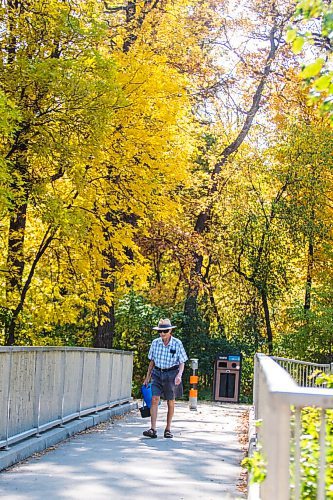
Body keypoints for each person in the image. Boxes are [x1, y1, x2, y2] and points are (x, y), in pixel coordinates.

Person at [142, 318, 188, 439]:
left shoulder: (177, 343)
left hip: (172, 374)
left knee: (170, 401)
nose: (162, 334)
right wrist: (147, 377)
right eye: (160, 331)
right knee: (154, 399)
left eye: (165, 331)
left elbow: (182, 361)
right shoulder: (155, 343)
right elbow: (152, 361)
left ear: (170, 331)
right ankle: (153, 429)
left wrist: (179, 375)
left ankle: (168, 429)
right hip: (157, 373)